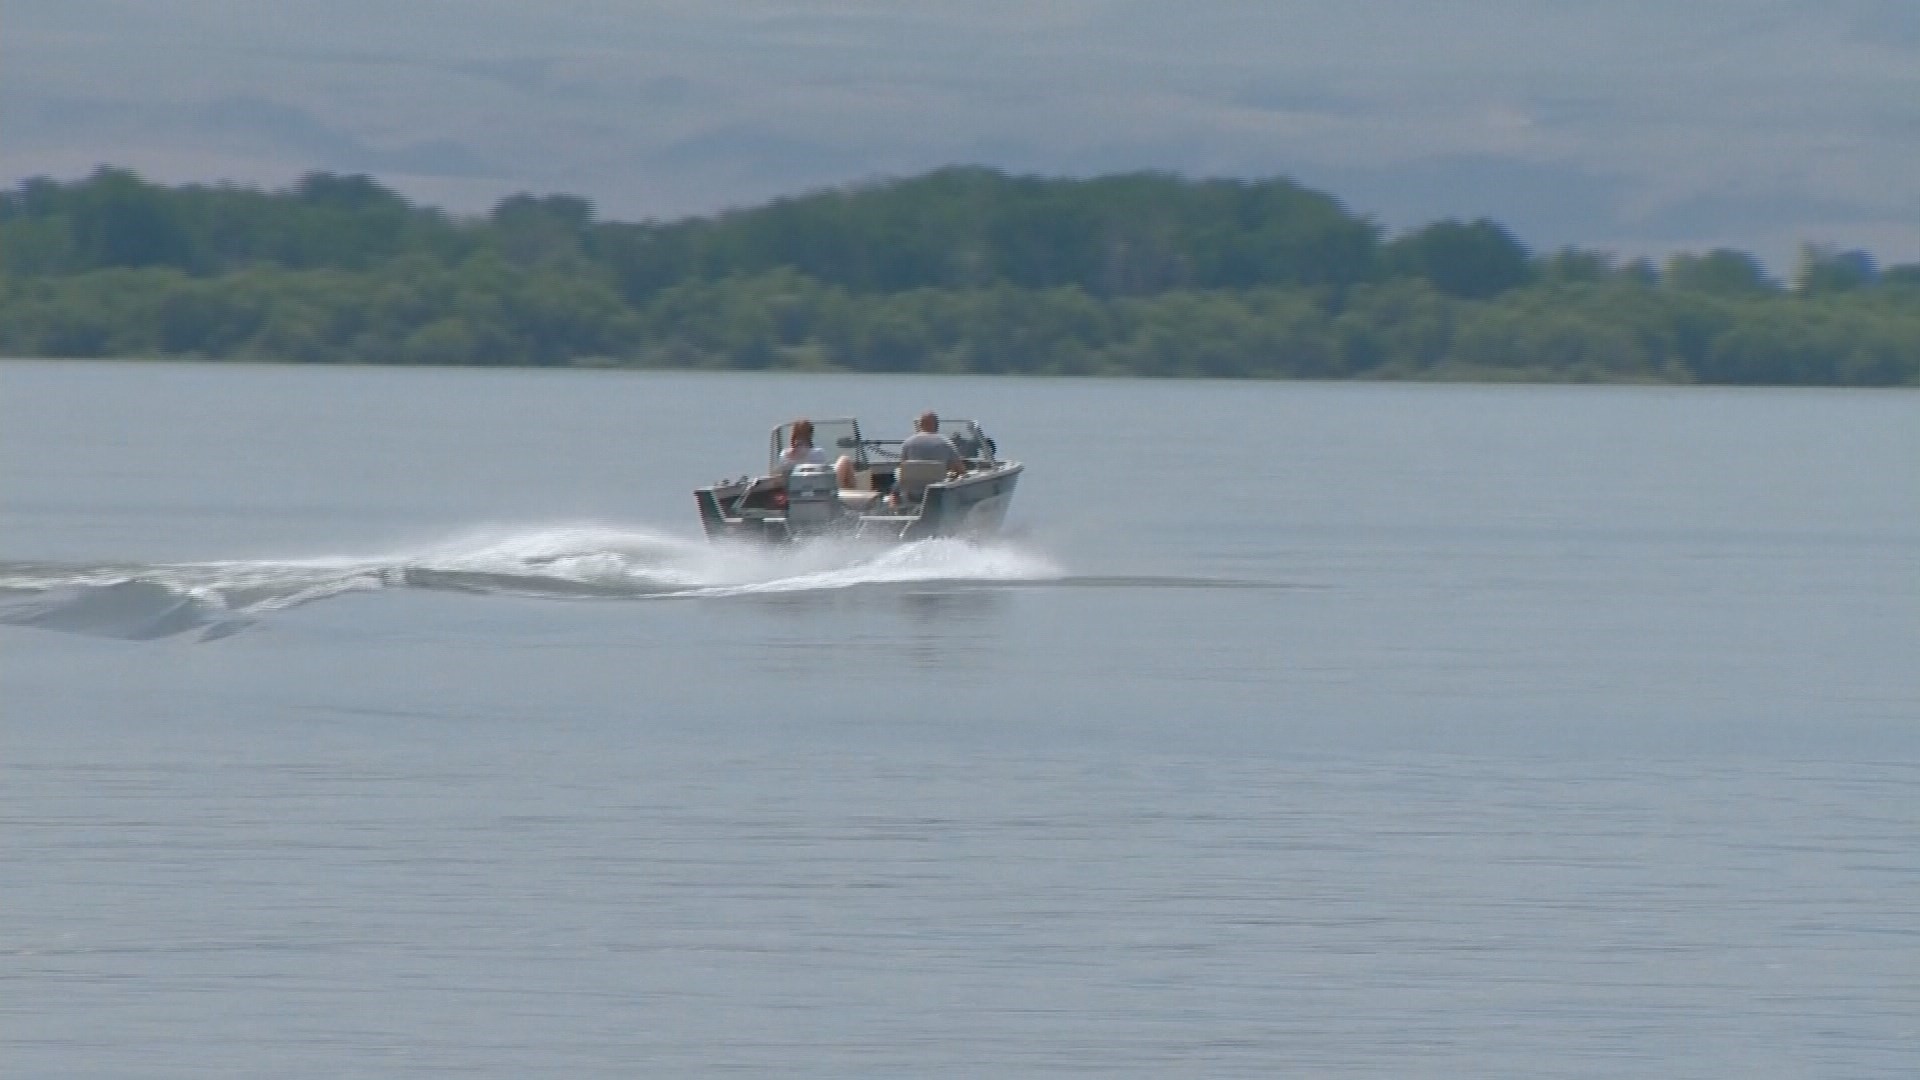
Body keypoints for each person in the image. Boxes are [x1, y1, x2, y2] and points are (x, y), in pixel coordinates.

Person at [898, 411, 965, 477]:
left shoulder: (907, 443)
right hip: (939, 483)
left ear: (920, 425)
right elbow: (960, 470)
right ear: (936, 425)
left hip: (913, 484)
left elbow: (902, 470)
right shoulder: (946, 443)